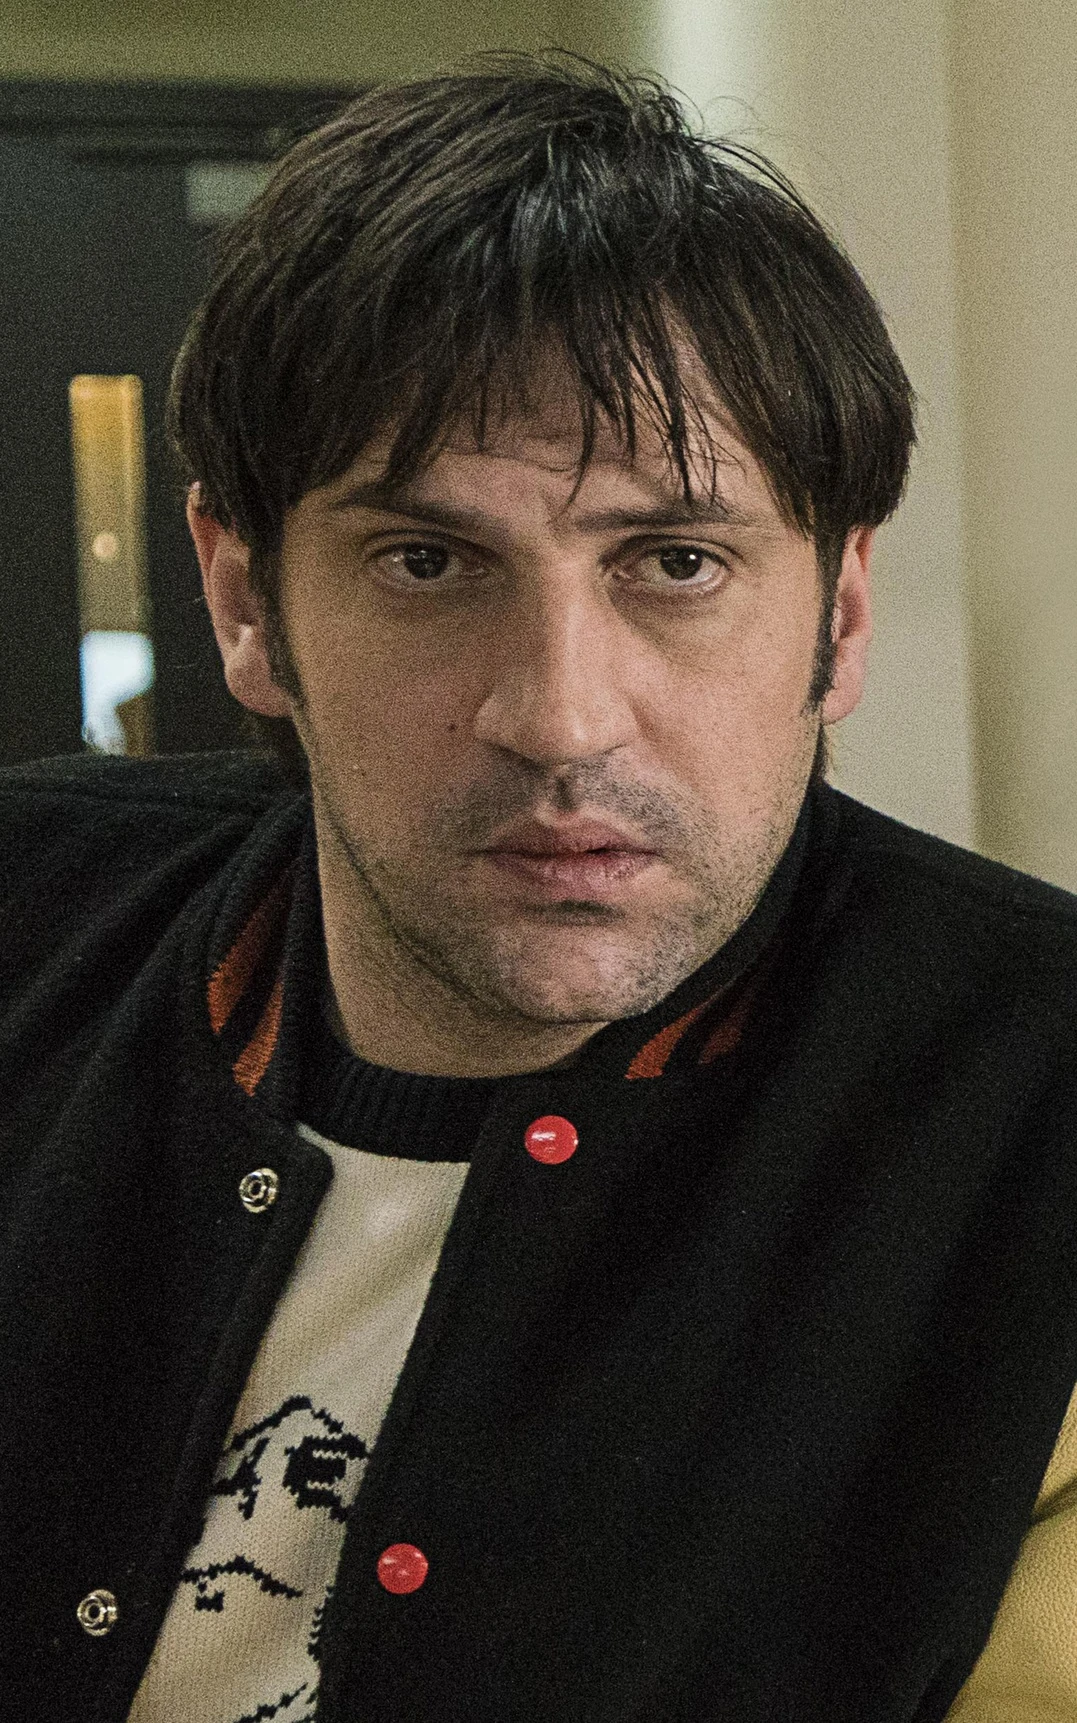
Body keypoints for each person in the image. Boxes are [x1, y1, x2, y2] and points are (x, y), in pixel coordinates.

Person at [3, 53, 1077, 1723]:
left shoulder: (1026, 1116)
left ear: (841, 614)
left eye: (677, 561)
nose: (562, 717)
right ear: (245, 603)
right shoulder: (39, 919)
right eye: (428, 561)